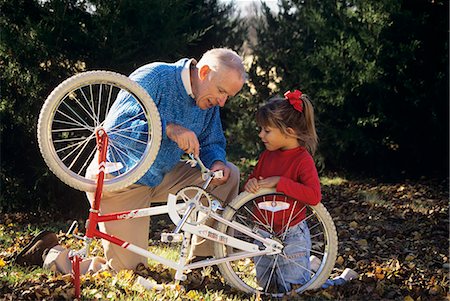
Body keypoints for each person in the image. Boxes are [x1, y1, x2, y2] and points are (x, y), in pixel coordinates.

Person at [15, 48, 247, 278]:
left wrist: (216, 161)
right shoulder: (156, 77)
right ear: (204, 72)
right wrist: (168, 128)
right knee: (129, 273)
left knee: (227, 175)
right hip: (122, 179)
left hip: (162, 175)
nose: (222, 101)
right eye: (221, 91)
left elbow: (211, 140)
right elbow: (115, 128)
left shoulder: (207, 102)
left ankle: (203, 259)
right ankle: (50, 253)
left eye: (228, 96)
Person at [243, 89, 321, 292]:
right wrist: (250, 184)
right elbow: (256, 180)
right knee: (268, 287)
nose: (261, 135)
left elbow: (313, 196)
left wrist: (280, 182)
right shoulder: (266, 156)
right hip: (263, 231)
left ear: (290, 131)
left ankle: (335, 277)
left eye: (266, 131)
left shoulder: (302, 160)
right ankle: (310, 265)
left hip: (292, 232)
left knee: (293, 288)